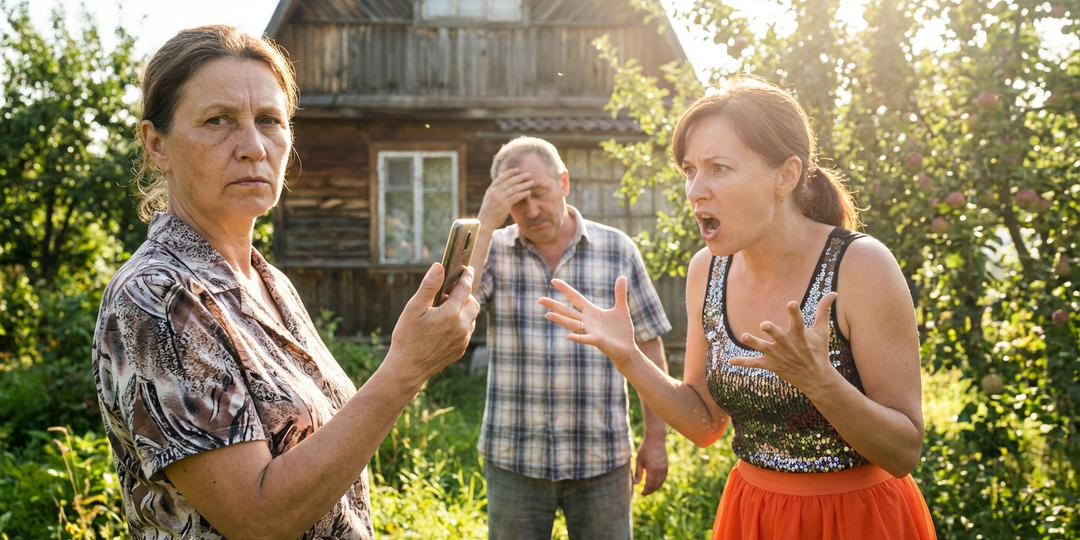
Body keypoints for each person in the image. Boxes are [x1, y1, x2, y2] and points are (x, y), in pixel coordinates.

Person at [91, 25, 480, 540]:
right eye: (218, 120)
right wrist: (406, 368)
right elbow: (258, 517)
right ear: (156, 143)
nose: (253, 146)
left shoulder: (265, 279)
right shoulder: (160, 296)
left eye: (269, 120)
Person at [539, 77, 937, 540]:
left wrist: (820, 382)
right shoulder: (706, 270)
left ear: (786, 175)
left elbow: (904, 451)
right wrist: (629, 357)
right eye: (690, 171)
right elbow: (705, 424)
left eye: (719, 169)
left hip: (857, 519)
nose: (694, 192)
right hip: (753, 515)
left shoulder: (861, 265)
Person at [469, 136, 672, 540]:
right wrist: (485, 222)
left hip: (602, 458)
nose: (531, 211)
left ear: (563, 182)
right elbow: (451, 312)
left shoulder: (617, 249)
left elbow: (648, 343)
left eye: (540, 193)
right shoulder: (491, 250)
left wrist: (656, 438)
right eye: (516, 201)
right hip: (514, 459)